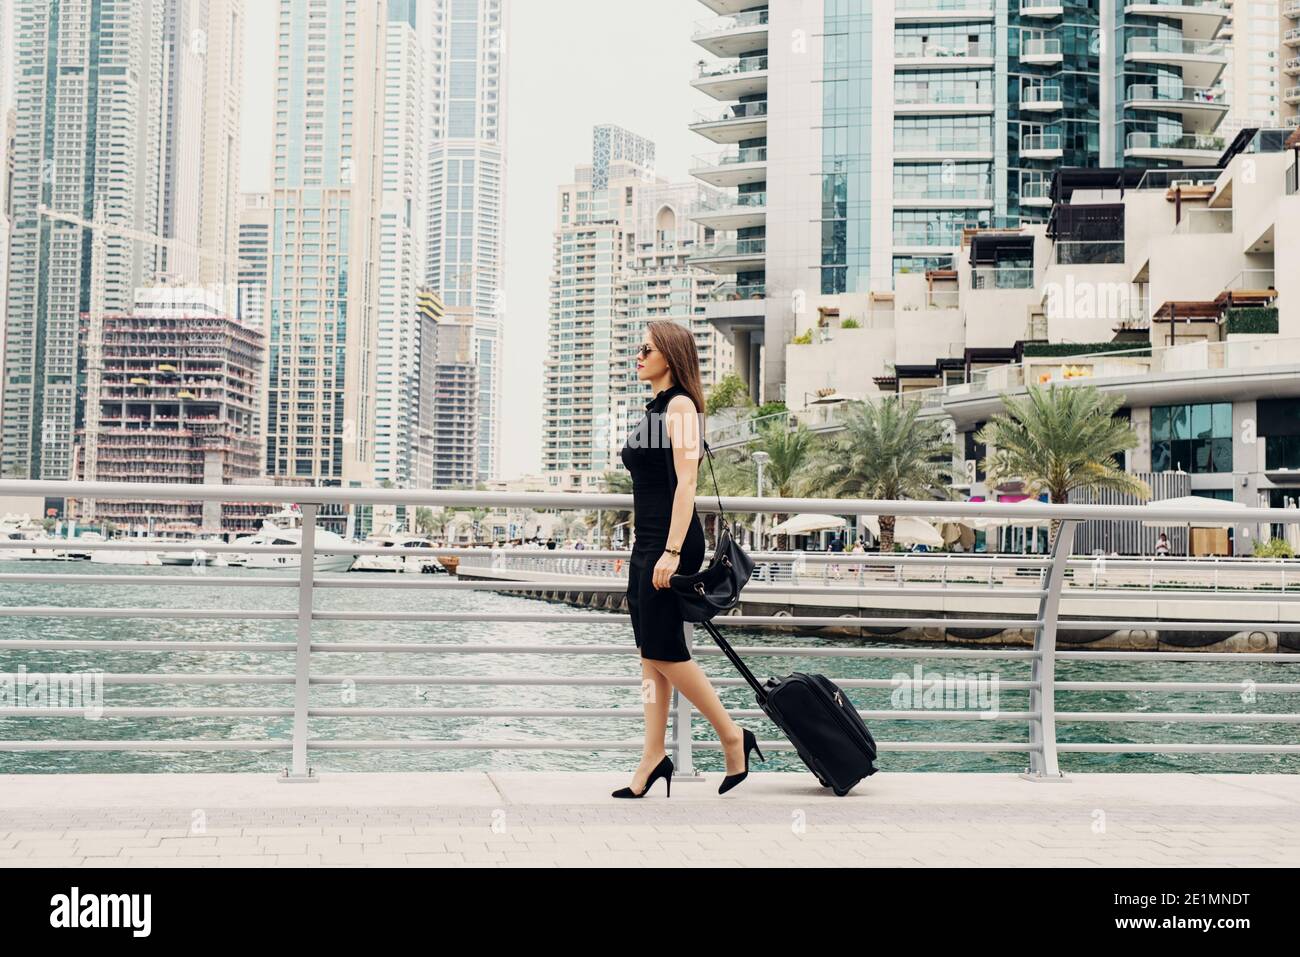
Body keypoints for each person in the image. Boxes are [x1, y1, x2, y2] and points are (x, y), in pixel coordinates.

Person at [614, 319, 760, 799]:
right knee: (648, 656)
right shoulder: (656, 407)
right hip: (648, 542)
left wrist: (672, 552)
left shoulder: (680, 407)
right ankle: (653, 754)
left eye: (646, 349)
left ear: (670, 357)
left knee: (665, 651)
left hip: (670, 543)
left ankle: (732, 736)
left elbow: (688, 484)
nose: (638, 355)